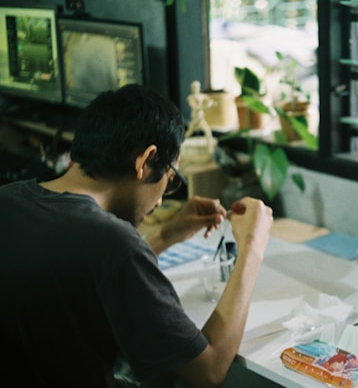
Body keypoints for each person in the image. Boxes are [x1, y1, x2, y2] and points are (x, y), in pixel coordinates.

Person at [0, 84, 273, 387]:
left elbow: (85, 271)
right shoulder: (113, 244)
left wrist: (166, 234)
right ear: (144, 161)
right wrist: (252, 248)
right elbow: (207, 372)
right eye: (170, 180)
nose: (159, 201)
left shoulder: (9, 198)